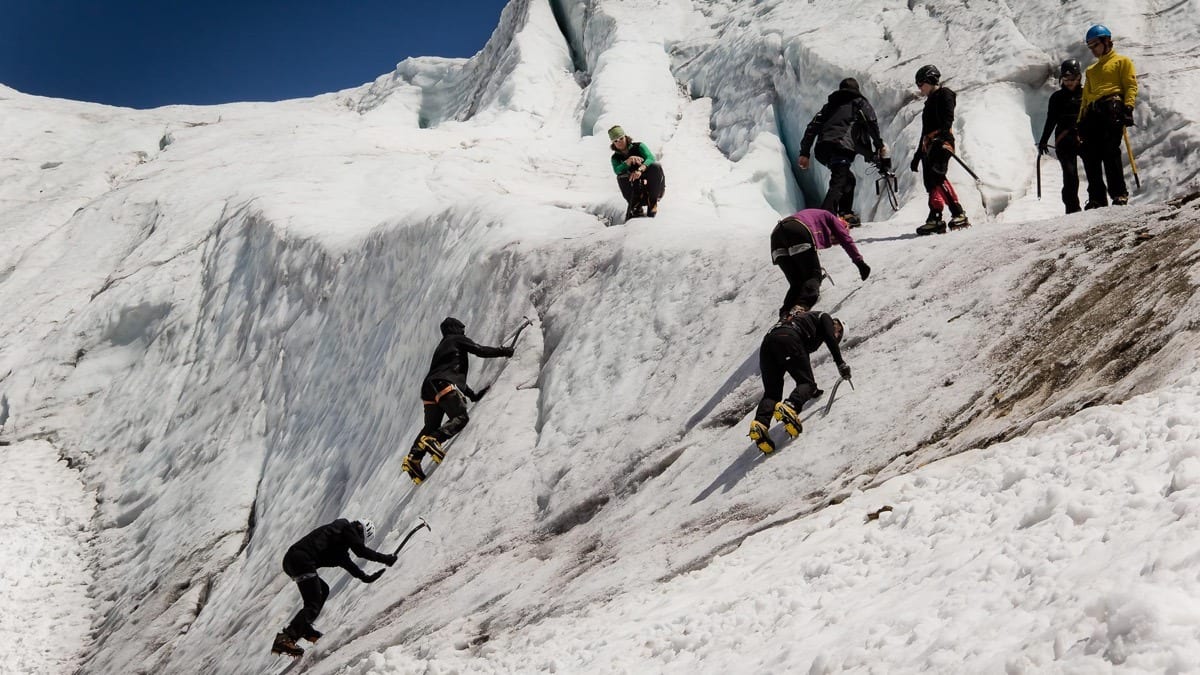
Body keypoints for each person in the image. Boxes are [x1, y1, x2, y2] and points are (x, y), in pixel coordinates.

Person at [402, 317, 514, 484]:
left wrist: (473, 395)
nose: (463, 331)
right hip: (442, 383)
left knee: (431, 425)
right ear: (454, 328)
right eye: (461, 328)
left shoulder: (441, 347)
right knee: (460, 417)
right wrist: (503, 351)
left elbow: (451, 375)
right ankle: (435, 440)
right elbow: (479, 350)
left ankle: (414, 458)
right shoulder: (456, 339)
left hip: (429, 388)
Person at [272, 519, 396, 658]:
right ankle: (286, 637)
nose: (358, 542)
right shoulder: (345, 526)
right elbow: (361, 551)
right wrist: (385, 559)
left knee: (323, 590)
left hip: (293, 560)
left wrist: (367, 577)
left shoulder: (339, 545)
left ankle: (304, 628)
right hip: (301, 559)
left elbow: (350, 565)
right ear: (360, 532)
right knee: (313, 603)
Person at [748, 307, 850, 454]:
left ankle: (760, 424)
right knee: (807, 384)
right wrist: (841, 363)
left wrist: (813, 391)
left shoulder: (806, 324)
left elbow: (802, 365)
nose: (836, 337)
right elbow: (829, 337)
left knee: (772, 393)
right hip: (788, 338)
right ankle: (791, 406)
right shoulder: (825, 317)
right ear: (838, 326)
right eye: (838, 336)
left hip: (768, 343)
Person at [797, 77, 889, 227]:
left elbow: (812, 127)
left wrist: (805, 153)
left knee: (848, 179)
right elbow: (871, 123)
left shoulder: (829, 106)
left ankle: (845, 213)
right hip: (840, 147)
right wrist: (879, 146)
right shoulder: (859, 103)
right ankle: (824, 219)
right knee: (839, 180)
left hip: (823, 149)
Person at [1078, 24, 1138, 209]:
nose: (1093, 50)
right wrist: (1080, 121)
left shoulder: (1122, 61)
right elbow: (1086, 98)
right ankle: (1096, 198)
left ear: (1106, 41)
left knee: (1110, 152)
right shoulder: (1091, 70)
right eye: (1090, 46)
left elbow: (1130, 85)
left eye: (1095, 44)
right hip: (1092, 112)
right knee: (1090, 156)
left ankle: (1119, 194)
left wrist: (1128, 107)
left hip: (1112, 108)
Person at [770, 208, 870, 318]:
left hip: (777, 235)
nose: (832, 240)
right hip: (798, 229)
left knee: (797, 284)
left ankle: (785, 315)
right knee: (813, 276)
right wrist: (860, 263)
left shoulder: (817, 217)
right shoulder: (833, 219)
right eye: (834, 238)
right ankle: (800, 308)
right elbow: (846, 240)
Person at [910, 65, 971, 235]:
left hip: (942, 141)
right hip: (929, 144)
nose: (919, 88)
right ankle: (935, 217)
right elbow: (925, 130)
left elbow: (948, 118)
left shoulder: (945, 94)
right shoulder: (929, 101)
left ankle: (958, 213)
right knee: (931, 182)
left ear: (930, 80)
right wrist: (918, 155)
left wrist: (942, 136)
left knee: (937, 176)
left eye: (920, 84)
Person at [1038, 59, 1085, 213]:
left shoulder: (1086, 94)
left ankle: (1096, 200)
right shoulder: (1057, 98)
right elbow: (1051, 120)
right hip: (1064, 140)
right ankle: (1072, 208)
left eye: (1073, 78)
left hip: (1085, 137)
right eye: (1066, 79)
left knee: (1093, 172)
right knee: (1070, 175)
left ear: (1079, 77)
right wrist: (1044, 140)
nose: (1069, 82)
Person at [608, 125, 666, 220]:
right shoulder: (615, 157)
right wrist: (627, 162)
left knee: (655, 166)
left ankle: (652, 203)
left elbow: (651, 158)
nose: (619, 142)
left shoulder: (639, 146)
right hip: (636, 190)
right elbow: (617, 170)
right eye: (615, 141)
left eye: (621, 138)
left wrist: (640, 169)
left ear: (625, 137)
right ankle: (636, 207)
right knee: (621, 176)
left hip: (653, 188)